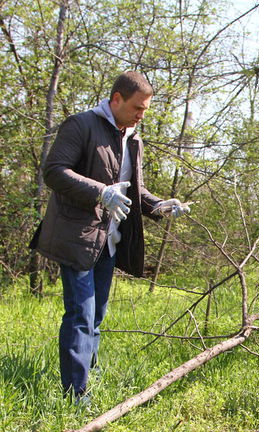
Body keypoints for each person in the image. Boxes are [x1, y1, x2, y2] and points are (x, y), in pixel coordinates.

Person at [30, 71, 191, 405]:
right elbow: (55, 171)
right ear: (116, 99)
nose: (141, 115)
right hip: (77, 236)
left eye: (146, 109)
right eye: (137, 107)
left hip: (110, 240)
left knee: (96, 318)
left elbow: (134, 189)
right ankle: (76, 398)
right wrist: (101, 192)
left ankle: (88, 379)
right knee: (81, 316)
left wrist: (159, 206)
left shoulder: (133, 139)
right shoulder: (80, 125)